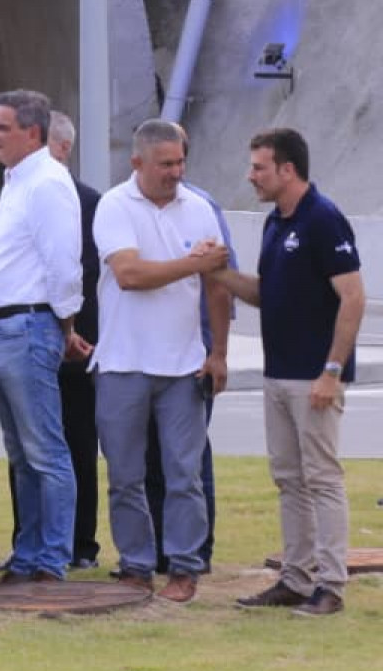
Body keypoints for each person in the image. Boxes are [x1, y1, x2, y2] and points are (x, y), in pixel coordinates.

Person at [212, 127, 364, 616]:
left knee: (321, 478)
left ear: (287, 170)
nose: (250, 176)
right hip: (277, 373)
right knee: (288, 478)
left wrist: (331, 371)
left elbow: (353, 298)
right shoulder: (277, 223)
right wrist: (216, 272)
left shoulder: (323, 220)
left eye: (259, 167)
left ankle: (331, 585)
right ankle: (295, 579)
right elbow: (265, 293)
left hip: (314, 376)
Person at [87, 120, 230, 603]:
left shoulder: (201, 208)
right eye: (166, 164)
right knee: (125, 475)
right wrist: (194, 264)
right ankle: (135, 566)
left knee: (183, 475)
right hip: (122, 363)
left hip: (184, 366)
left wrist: (219, 353)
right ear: (137, 164)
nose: (176, 172)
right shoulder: (114, 205)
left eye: (180, 162)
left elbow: (217, 288)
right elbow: (128, 273)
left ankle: (185, 568)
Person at [0, 89, 86, 595]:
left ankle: (51, 562)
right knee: (22, 453)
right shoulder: (18, 181)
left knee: (45, 451)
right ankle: (29, 553)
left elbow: (64, 263)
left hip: (28, 326)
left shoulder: (47, 185)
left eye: (2, 127)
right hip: (2, 326)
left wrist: (65, 326)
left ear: (32, 133)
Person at [47, 111, 103, 570]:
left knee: (77, 441)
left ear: (63, 148)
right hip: (31, 342)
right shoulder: (19, 193)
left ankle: (81, 543)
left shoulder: (88, 202)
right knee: (27, 447)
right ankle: (31, 540)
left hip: (77, 341)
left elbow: (86, 273)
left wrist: (73, 331)